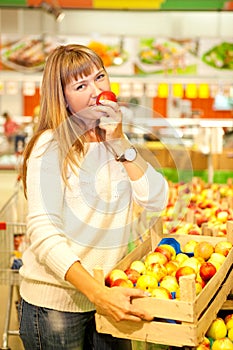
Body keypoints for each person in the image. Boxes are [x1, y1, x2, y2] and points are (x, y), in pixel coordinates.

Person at [19, 44, 168, 350]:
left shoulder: (114, 140)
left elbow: (157, 200)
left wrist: (119, 141)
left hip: (109, 296)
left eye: (100, 77)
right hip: (56, 308)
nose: (96, 91)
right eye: (81, 85)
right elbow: (44, 234)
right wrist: (97, 293)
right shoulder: (50, 146)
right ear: (63, 98)